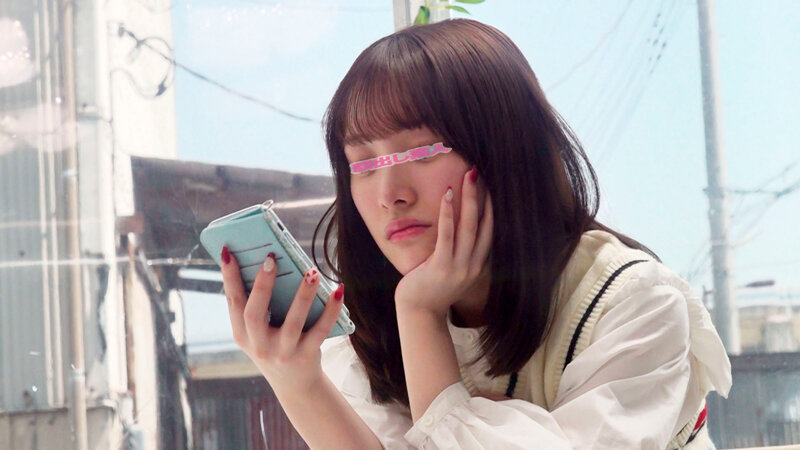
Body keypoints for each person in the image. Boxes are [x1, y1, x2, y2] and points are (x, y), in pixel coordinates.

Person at [219, 18, 732, 449]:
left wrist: (421, 318)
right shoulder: (370, 329)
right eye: (364, 164)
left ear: (506, 151)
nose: (389, 194)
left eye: (421, 152)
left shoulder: (633, 303)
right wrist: (297, 380)